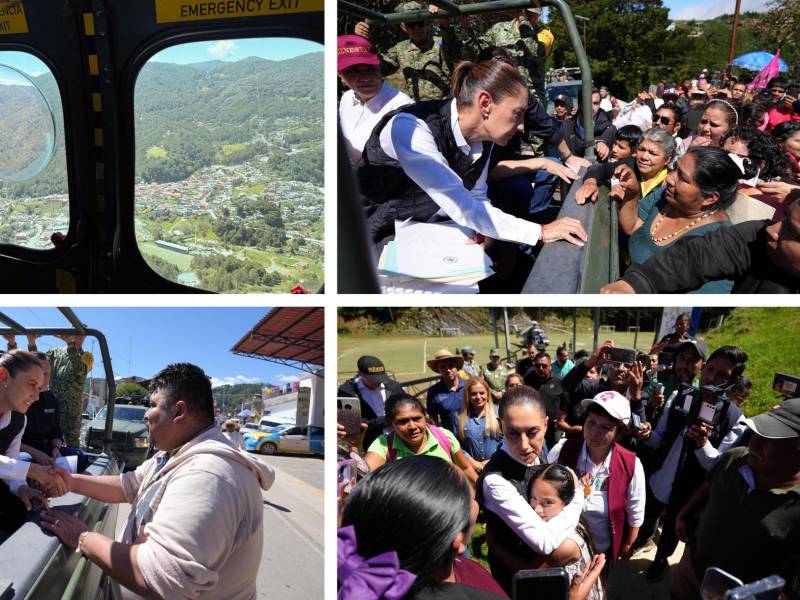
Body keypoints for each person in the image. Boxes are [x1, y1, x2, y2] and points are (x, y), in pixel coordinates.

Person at [40, 363, 275, 599]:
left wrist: (84, 538)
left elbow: (165, 579)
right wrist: (71, 481)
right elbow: (130, 484)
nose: (145, 414)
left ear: (179, 411)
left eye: (152, 405)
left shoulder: (208, 475)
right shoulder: (174, 454)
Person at [357, 59, 588, 254]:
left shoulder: (485, 140)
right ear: (485, 103)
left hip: (423, 230)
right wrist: (541, 231)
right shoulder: (411, 129)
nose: (521, 127)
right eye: (517, 114)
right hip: (374, 235)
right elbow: (461, 204)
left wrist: (483, 230)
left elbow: (477, 194)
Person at [669, 400, 800, 599]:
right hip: (691, 572)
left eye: (768, 439)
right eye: (757, 433)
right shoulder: (735, 458)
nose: (753, 443)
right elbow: (709, 485)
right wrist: (684, 513)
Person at [637, 345, 747, 582]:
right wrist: (647, 434)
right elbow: (659, 437)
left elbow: (717, 468)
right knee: (649, 516)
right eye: (710, 370)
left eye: (722, 376)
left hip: (689, 493)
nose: (712, 378)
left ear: (733, 382)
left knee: (672, 533)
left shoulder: (736, 420)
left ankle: (661, 560)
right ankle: (643, 537)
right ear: (703, 368)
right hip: (660, 479)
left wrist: (703, 445)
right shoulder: (680, 395)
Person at [476, 385, 585, 594]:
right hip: (518, 582)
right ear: (501, 426)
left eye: (532, 432)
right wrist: (577, 495)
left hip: (547, 574)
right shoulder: (495, 481)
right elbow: (544, 542)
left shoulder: (537, 452)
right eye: (513, 433)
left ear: (545, 425)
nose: (524, 444)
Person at [601, 195, 800, 294]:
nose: (772, 231)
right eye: (784, 218)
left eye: (790, 231)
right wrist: (636, 284)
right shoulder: (756, 235)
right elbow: (697, 256)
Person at [611, 146, 738, 292]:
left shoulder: (717, 246)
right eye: (675, 169)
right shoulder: (666, 195)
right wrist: (632, 195)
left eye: (682, 178)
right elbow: (633, 226)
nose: (669, 179)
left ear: (709, 198)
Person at [549, 391, 646, 568]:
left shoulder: (631, 465)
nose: (594, 432)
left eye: (605, 427)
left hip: (601, 553)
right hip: (561, 546)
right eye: (591, 422)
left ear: (618, 434)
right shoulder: (562, 450)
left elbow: (636, 509)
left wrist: (629, 543)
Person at [0, 350, 64, 533]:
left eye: (39, 387)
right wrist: (33, 470)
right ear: (4, 376)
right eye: (31, 384)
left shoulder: (19, 420)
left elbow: (10, 462)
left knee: (20, 509)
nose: (36, 397)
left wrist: (20, 487)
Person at [354, 2, 461, 102]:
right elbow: (383, 69)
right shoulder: (400, 48)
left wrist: (445, 24)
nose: (417, 28)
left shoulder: (440, 43)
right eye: (411, 24)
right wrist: (364, 41)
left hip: (445, 105)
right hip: (417, 109)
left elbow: (455, 53)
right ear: (403, 27)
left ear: (426, 23)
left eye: (420, 23)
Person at [364, 394, 478, 484]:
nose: (412, 427)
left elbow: (466, 469)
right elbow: (364, 479)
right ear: (391, 424)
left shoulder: (444, 436)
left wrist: (476, 500)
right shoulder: (383, 445)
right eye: (403, 422)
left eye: (417, 418)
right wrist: (355, 444)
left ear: (425, 416)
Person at [338, 34, 412, 166]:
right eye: (353, 71)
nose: (365, 78)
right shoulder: (347, 98)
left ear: (380, 69)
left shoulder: (401, 107)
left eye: (370, 69)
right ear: (340, 75)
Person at [575, 127, 673, 209]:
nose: (644, 157)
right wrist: (590, 182)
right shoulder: (630, 163)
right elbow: (600, 168)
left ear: (668, 159)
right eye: (641, 149)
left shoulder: (672, 183)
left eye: (653, 153)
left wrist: (628, 202)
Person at [21, 335, 91, 449]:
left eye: (81, 334)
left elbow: (79, 370)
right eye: (74, 332)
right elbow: (38, 363)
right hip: (48, 405)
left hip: (70, 412)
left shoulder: (87, 356)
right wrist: (32, 343)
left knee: (72, 445)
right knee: (46, 440)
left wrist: (70, 344)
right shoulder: (55, 352)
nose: (78, 336)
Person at [477, 6, 554, 102]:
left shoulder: (544, 34)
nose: (529, 16)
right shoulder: (499, 29)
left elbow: (535, 52)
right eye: (526, 12)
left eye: (532, 13)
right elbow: (479, 52)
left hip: (532, 98)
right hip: (503, 96)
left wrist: (524, 24)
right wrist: (466, 27)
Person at [338, 355, 405, 450]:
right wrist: (385, 420)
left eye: (380, 378)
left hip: (398, 439)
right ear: (360, 374)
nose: (377, 382)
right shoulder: (347, 391)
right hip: (367, 444)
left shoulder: (393, 387)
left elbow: (405, 409)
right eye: (373, 379)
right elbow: (351, 424)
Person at [455, 377, 503, 473]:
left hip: (497, 466)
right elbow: (457, 444)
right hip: (472, 469)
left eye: (482, 393)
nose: (478, 397)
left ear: (487, 394)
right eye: (473, 394)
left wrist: (491, 460)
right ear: (468, 396)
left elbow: (505, 441)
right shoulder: (459, 417)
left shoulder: (498, 413)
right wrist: (471, 461)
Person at [522, 352, 567, 450]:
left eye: (544, 366)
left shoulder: (559, 381)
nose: (541, 368)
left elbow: (566, 402)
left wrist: (561, 418)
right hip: (534, 425)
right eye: (537, 366)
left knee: (555, 452)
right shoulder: (528, 380)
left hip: (553, 427)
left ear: (550, 366)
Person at [557, 89, 616, 163]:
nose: (591, 107)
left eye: (595, 103)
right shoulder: (565, 126)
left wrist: (606, 152)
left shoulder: (609, 129)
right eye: (587, 103)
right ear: (579, 103)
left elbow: (615, 159)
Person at [426, 349, 466, 432]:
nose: (447, 370)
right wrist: (438, 435)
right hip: (449, 438)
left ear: (457, 367)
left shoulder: (468, 387)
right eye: (443, 367)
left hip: (472, 437)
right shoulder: (434, 391)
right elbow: (433, 419)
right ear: (438, 369)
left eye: (451, 366)